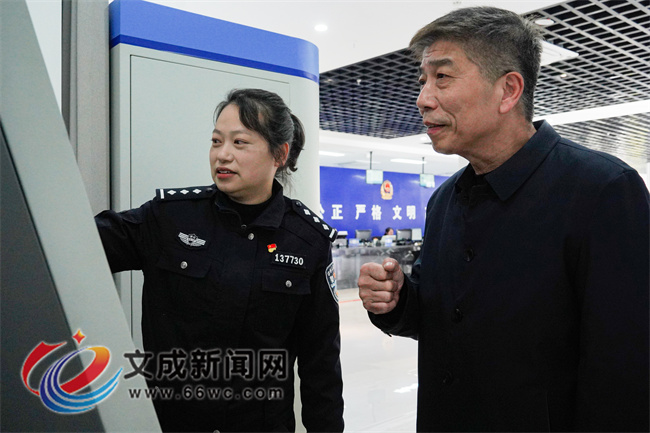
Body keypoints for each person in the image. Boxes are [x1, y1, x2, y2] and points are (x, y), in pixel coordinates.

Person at [358, 6, 649, 432]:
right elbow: (441, 319)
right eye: (422, 81)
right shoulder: (444, 201)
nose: (423, 98)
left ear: (508, 90)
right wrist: (399, 300)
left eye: (443, 77)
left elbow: (624, 370)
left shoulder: (601, 191)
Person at [96, 89, 344, 432]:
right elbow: (83, 244)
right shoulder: (170, 219)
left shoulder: (307, 241)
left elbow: (322, 363)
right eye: (216, 141)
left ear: (279, 154)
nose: (222, 154)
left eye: (239, 143)